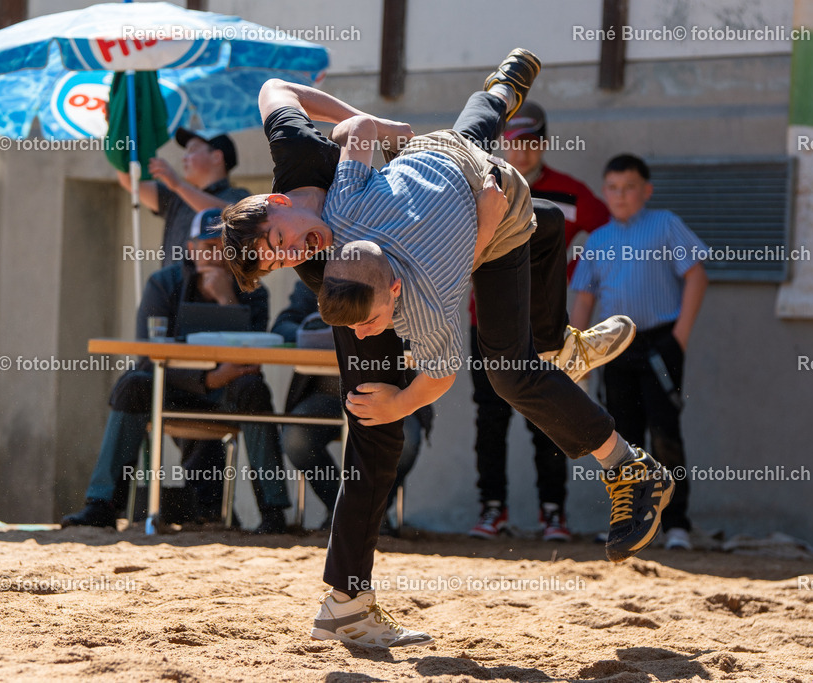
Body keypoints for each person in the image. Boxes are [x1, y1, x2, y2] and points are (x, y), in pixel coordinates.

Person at [221, 50, 671, 649]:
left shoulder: (302, 155)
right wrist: (400, 395)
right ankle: (348, 601)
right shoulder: (329, 261)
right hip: (373, 291)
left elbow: (277, 87)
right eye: (282, 260)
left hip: (446, 225)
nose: (296, 252)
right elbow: (438, 349)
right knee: (376, 422)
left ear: (280, 201)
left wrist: (374, 124)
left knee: (512, 333)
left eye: (283, 241)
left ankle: (587, 397)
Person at [60, 212, 291, 533]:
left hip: (228, 394)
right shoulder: (163, 283)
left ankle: (274, 511)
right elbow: (145, 356)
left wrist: (226, 299)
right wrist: (206, 379)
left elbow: (251, 357)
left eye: (226, 247)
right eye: (209, 246)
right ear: (191, 247)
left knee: (254, 388)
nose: (217, 255)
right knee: (133, 384)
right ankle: (102, 504)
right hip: (173, 389)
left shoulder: (253, 289)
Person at [468, 102, 611, 542]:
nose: (522, 153)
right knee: (490, 419)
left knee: (547, 419)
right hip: (487, 324)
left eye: (530, 143)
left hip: (543, 329)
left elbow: (609, 232)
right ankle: (493, 511)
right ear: (501, 145)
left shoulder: (569, 192)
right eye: (513, 143)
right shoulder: (486, 186)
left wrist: (576, 271)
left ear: (544, 143)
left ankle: (554, 515)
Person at [570, 153, 709, 551]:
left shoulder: (665, 225)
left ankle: (676, 524)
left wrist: (678, 338)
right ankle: (626, 526)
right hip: (613, 350)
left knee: (666, 433)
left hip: (661, 346)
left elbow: (696, 276)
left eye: (629, 187)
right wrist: (581, 358)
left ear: (646, 190)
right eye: (612, 188)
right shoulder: (597, 240)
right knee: (619, 439)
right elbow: (582, 301)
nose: (621, 195)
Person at [272, 281, 432, 533]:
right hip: (326, 393)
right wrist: (319, 330)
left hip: (388, 391)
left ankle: (373, 512)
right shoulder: (318, 276)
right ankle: (344, 511)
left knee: (406, 441)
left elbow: (426, 333)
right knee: (296, 437)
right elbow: (283, 326)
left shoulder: (396, 279)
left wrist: (380, 329)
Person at [115, 128, 249, 265]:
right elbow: (130, 181)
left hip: (216, 285)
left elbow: (231, 217)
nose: (184, 158)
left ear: (216, 157)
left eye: (192, 150)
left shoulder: (240, 198)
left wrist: (178, 185)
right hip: (172, 286)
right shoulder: (176, 197)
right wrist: (117, 133)